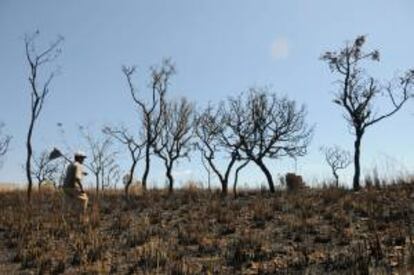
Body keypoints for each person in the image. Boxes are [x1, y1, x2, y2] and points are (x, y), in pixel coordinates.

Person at [62, 151, 89, 217]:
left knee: (68, 202)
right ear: (79, 158)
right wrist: (81, 188)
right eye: (82, 158)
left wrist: (82, 173)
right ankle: (82, 216)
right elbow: (77, 178)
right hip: (73, 187)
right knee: (84, 199)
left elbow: (72, 173)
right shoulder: (79, 165)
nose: (83, 160)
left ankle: (64, 217)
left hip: (65, 187)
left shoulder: (70, 165)